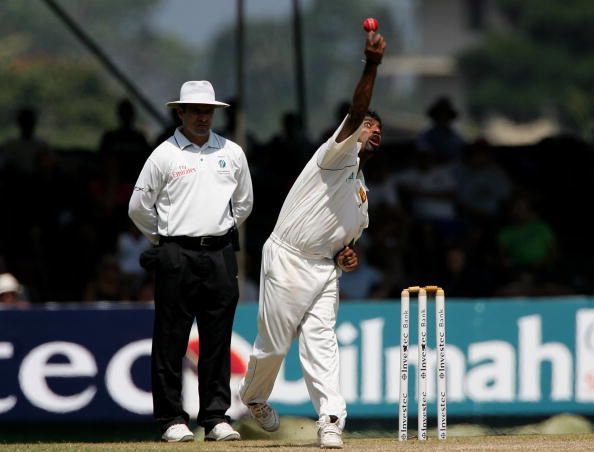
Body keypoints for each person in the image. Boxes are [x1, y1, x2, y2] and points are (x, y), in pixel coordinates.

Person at [239, 29, 386, 449]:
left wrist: (347, 255)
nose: (374, 132)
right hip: (289, 258)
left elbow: (346, 242)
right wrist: (372, 65)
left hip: (324, 269)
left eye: (379, 130)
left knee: (322, 341)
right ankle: (253, 396)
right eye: (368, 126)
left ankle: (331, 419)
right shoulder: (335, 154)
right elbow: (357, 111)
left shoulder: (361, 192)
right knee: (274, 345)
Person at [128, 80, 253, 442]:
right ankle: (171, 419)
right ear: (179, 112)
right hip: (175, 253)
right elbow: (138, 208)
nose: (202, 117)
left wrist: (217, 229)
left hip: (219, 253)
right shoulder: (164, 154)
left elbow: (243, 203)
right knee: (171, 339)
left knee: (217, 338)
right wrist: (165, 238)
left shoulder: (232, 152)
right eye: (195, 111)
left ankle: (215, 418)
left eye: (207, 111)